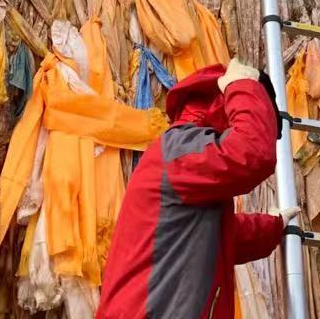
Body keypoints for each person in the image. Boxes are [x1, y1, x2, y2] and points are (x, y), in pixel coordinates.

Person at [96, 58, 287, 319]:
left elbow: (214, 235)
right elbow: (251, 153)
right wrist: (243, 85)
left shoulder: (182, 155)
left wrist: (274, 226)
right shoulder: (180, 147)